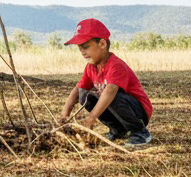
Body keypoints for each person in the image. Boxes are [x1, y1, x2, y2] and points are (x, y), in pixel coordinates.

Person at [57, 18, 153, 148]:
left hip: (138, 112)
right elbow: (77, 90)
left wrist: (91, 118)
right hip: (118, 106)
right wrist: (64, 115)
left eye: (86, 47)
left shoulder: (115, 65)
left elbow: (110, 91)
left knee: (110, 96)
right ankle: (118, 130)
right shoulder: (91, 67)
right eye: (80, 48)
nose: (82, 52)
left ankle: (140, 132)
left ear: (102, 44)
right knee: (84, 95)